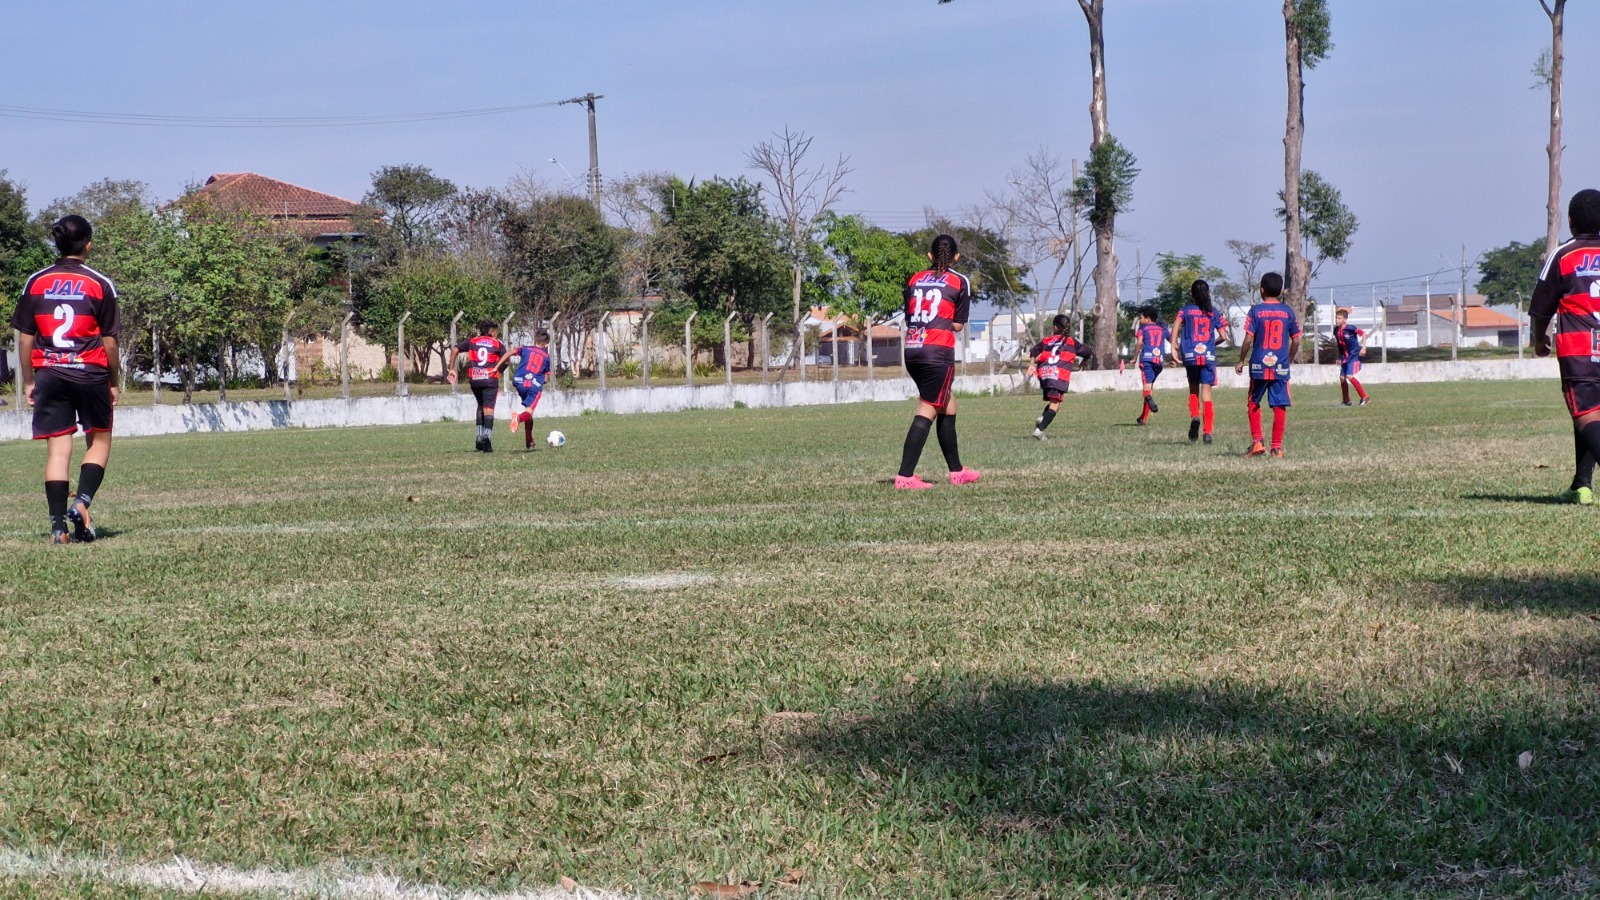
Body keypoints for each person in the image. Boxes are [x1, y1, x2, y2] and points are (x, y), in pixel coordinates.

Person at [10, 215, 121, 543]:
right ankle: (82, 504)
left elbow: (25, 339)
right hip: (90, 372)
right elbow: (110, 342)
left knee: (58, 451)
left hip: (50, 374)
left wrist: (30, 380)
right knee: (99, 441)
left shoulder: (36, 282)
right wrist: (113, 381)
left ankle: (58, 527)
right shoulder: (100, 284)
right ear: (88, 244)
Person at [894, 234, 981, 489]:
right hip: (937, 352)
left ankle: (957, 472)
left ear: (929, 256)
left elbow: (911, 319)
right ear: (956, 257)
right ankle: (905, 476)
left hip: (913, 348)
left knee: (948, 404)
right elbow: (956, 324)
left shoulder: (914, 279)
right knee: (928, 407)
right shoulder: (959, 281)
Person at [1531, 187, 1600, 505]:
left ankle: (1582, 484)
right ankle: (1581, 484)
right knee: (1591, 416)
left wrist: (1538, 338)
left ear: (1570, 221)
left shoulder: (1563, 255)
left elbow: (1541, 305)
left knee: (1585, 413)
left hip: (1580, 351)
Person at [1234, 272, 1302, 458]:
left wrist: (1241, 360)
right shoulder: (1287, 311)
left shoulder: (1256, 311)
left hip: (1258, 365)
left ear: (1261, 290)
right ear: (1280, 291)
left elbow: (1248, 339)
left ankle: (1257, 442)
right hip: (1280, 365)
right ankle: (1276, 448)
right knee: (1279, 405)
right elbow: (1296, 340)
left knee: (1253, 401)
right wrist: (1288, 359)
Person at [1170, 279, 1231, 444]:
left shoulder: (1185, 311)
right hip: (1208, 356)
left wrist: (1173, 347)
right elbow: (1224, 336)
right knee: (1207, 394)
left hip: (1190, 355)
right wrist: (1211, 344)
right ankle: (1208, 432)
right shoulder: (1214, 312)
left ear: (1192, 294)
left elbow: (1175, 325)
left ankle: (1195, 416)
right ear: (1208, 293)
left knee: (1193, 390)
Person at [1026, 314, 1090, 440]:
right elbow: (1088, 351)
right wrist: (1084, 360)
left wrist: (1032, 365)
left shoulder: (1046, 340)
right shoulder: (1071, 342)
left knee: (1054, 402)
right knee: (1055, 405)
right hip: (1058, 375)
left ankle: (1043, 418)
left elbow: (1033, 351)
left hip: (1044, 374)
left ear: (1055, 327)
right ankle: (1040, 430)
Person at [448, 319, 506, 452]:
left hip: (475, 379)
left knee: (480, 406)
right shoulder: (497, 344)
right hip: (490, 379)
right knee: (489, 409)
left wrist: (452, 368)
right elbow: (507, 361)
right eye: (496, 331)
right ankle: (487, 438)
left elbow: (455, 349)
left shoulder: (472, 341)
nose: (496, 334)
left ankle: (479, 438)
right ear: (491, 331)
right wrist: (499, 370)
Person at [497, 330, 552, 451]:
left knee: (529, 413)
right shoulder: (546, 357)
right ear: (546, 344)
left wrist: (497, 367)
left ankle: (529, 439)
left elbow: (509, 353)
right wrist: (538, 379)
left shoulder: (525, 348)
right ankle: (518, 418)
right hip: (533, 386)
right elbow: (546, 379)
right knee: (528, 412)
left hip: (519, 383)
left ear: (534, 340)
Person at [1133, 306, 1169, 425]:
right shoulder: (1162, 329)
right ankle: (1143, 418)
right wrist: (1175, 357)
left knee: (1147, 388)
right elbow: (1173, 341)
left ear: (1148, 318)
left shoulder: (1143, 329)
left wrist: (1134, 357)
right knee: (1150, 387)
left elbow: (1139, 344)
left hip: (1147, 360)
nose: (1140, 319)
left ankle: (1148, 399)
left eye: (1141, 317)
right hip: (1159, 361)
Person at [1333, 307, 1370, 406]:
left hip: (1353, 355)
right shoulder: (1336, 330)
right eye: (1336, 318)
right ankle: (1346, 401)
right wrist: (1338, 357)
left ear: (1344, 319)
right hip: (1344, 357)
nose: (1337, 320)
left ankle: (1365, 397)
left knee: (1349, 376)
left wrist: (1364, 348)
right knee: (1342, 378)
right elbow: (1339, 345)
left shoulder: (1351, 328)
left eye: (1339, 318)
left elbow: (1363, 334)